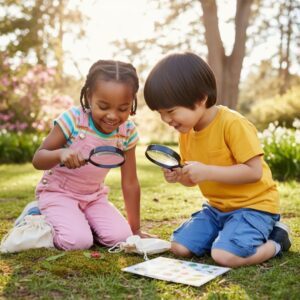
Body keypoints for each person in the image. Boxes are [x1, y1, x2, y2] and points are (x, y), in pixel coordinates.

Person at [143, 52, 291, 268]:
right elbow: (192, 178)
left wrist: (208, 171)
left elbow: (254, 172)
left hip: (254, 207)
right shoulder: (186, 133)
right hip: (217, 209)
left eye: (170, 111)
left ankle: (278, 240)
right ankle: (227, 235)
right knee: (179, 247)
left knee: (224, 257)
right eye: (160, 113)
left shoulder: (233, 124)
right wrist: (179, 176)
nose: (165, 119)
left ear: (201, 98)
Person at [23, 59, 152, 251]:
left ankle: (80, 222)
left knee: (121, 238)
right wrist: (61, 153)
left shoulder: (127, 132)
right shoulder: (73, 120)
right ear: (89, 96)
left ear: (132, 102)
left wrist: (135, 230)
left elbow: (130, 182)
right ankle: (36, 214)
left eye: (122, 109)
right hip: (58, 193)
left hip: (93, 197)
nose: (112, 116)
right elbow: (38, 159)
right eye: (103, 106)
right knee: (77, 242)